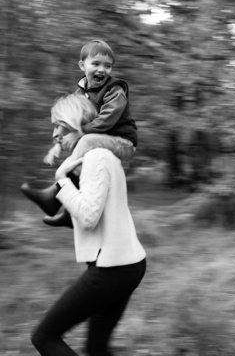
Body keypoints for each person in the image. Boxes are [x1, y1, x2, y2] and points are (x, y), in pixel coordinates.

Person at [30, 93, 147, 356]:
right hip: (125, 264)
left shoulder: (95, 158)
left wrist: (61, 181)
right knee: (96, 349)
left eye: (60, 125)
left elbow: (89, 216)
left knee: (44, 337)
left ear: (76, 123)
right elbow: (92, 215)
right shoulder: (98, 157)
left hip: (113, 269)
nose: (54, 134)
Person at [21, 39, 138, 227]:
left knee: (85, 141)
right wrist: (57, 144)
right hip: (100, 139)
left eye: (108, 66)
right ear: (82, 65)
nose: (102, 70)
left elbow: (108, 118)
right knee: (85, 144)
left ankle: (55, 196)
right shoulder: (80, 92)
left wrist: (80, 133)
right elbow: (69, 118)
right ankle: (68, 210)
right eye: (96, 64)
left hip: (123, 142)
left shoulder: (114, 90)